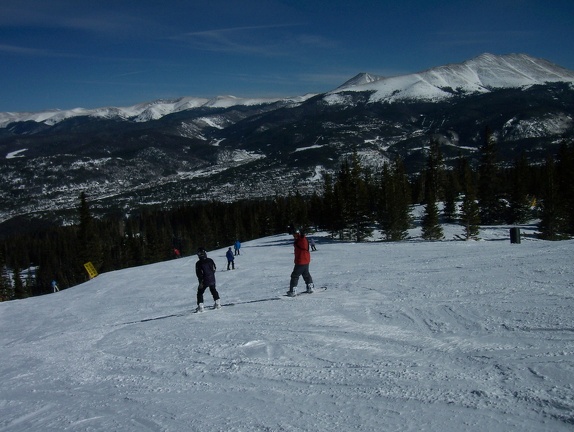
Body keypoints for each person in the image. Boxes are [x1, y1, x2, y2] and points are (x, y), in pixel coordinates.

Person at [287, 229, 314, 297]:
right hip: (305, 260)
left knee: (295, 276)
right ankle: (310, 287)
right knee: (306, 274)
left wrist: (301, 235)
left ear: (298, 234)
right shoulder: (300, 240)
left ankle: (293, 291)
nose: (294, 236)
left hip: (301, 261)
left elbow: (302, 240)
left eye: (295, 235)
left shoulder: (302, 239)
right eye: (293, 235)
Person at [195, 247, 221, 312]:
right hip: (212, 278)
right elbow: (214, 268)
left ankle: (201, 306)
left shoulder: (198, 263)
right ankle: (217, 303)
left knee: (200, 292)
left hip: (204, 280)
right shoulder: (210, 260)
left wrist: (201, 281)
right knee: (213, 289)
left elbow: (198, 273)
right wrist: (211, 274)